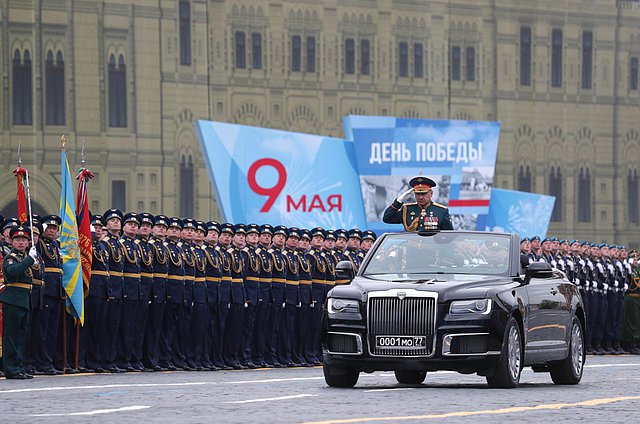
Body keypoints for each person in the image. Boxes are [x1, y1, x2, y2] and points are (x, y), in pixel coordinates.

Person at [0, 225, 39, 379]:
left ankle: (19, 366)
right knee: (11, 336)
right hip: (13, 300)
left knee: (21, 337)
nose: (21, 242)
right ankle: (10, 368)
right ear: (13, 242)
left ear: (28, 242)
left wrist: (30, 260)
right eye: (17, 240)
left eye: (24, 239)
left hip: (24, 300)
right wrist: (30, 259)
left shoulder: (24, 258)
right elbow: (12, 272)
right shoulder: (11, 258)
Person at [383, 176, 453, 231]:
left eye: (424, 194)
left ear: (431, 193)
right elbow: (387, 218)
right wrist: (399, 201)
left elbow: (448, 236)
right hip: (412, 248)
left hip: (433, 248)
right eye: (417, 194)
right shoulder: (407, 209)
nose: (420, 197)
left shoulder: (441, 211)